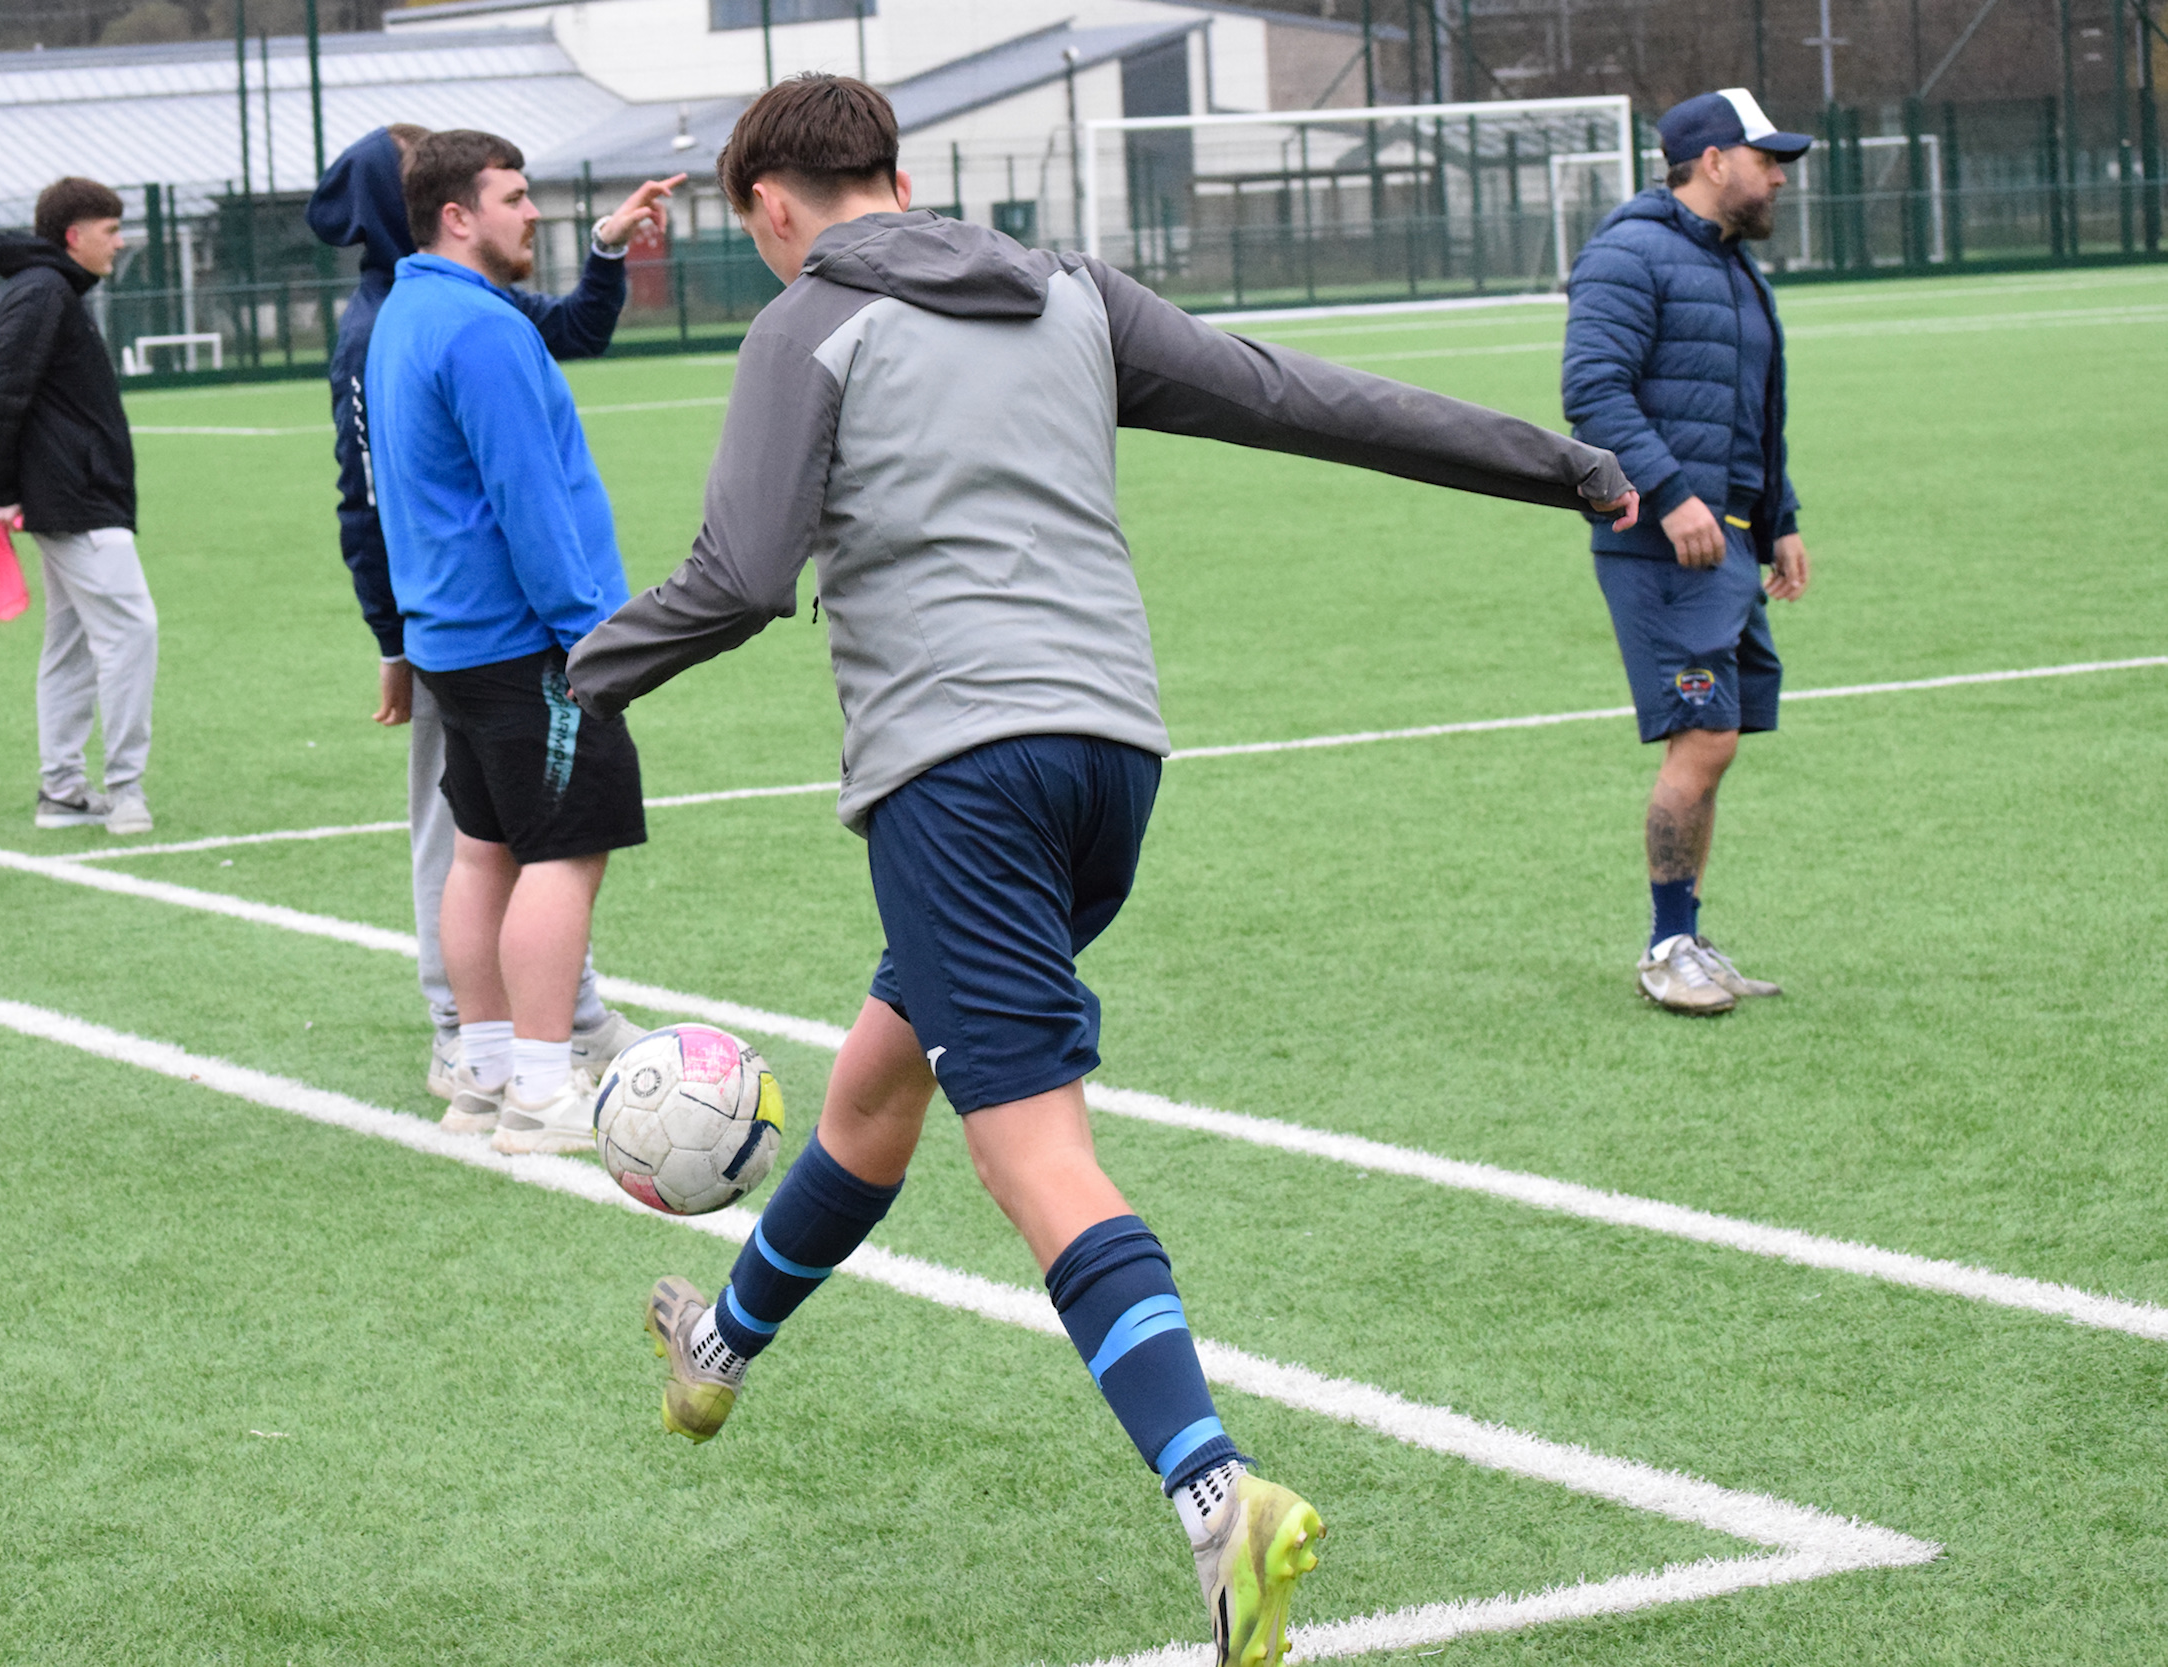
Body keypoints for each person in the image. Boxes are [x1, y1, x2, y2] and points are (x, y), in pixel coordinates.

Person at [566, 74, 1635, 1667]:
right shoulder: (1069, 290)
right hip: (1110, 763)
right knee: (875, 1086)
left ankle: (1220, 1502)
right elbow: (1296, 396)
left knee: (1035, 1153)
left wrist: (572, 676)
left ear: (769, 208)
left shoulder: (807, 323)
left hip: (955, 773)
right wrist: (1562, 462)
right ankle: (716, 1345)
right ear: (901, 174)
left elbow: (739, 574)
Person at [307, 126, 674, 1100]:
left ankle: (482, 1072)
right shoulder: (479, 328)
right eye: (515, 195)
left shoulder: (404, 314)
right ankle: (543, 1089)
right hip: (525, 642)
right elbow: (529, 495)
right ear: (459, 215)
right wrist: (595, 633)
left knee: (481, 853)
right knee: (561, 855)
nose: (534, 211)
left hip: (454, 642)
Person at [1562, 88, 1815, 1017]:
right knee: (1701, 736)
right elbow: (1593, 391)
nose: (1779, 175)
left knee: (1719, 741)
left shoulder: (1737, 269)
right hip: (1665, 547)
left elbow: (1755, 413)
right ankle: (1667, 945)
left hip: (1733, 544)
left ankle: (1689, 935)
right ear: (1715, 161)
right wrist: (1670, 497)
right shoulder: (1630, 252)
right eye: (1766, 158)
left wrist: (1778, 516)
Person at [0, 176, 160, 837]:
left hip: (72, 493)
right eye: (111, 230)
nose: (120, 241)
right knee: (131, 632)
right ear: (74, 236)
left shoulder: (46, 290)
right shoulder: (43, 292)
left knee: (73, 642)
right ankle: (124, 789)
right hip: (75, 499)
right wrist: (1, 492)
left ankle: (62, 788)